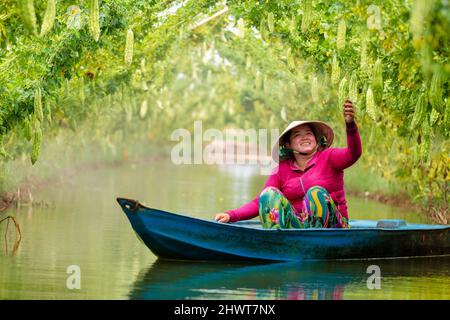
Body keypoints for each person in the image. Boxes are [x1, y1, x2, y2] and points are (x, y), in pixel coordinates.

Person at [214, 100, 362, 229]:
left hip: (334, 227)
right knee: (269, 194)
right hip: (300, 228)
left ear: (316, 139)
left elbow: (353, 154)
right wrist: (231, 215)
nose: (304, 137)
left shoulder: (329, 157)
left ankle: (317, 239)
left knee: (315, 193)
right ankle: (280, 242)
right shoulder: (282, 169)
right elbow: (260, 201)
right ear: (288, 144)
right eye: (297, 135)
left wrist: (350, 126)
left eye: (308, 133)